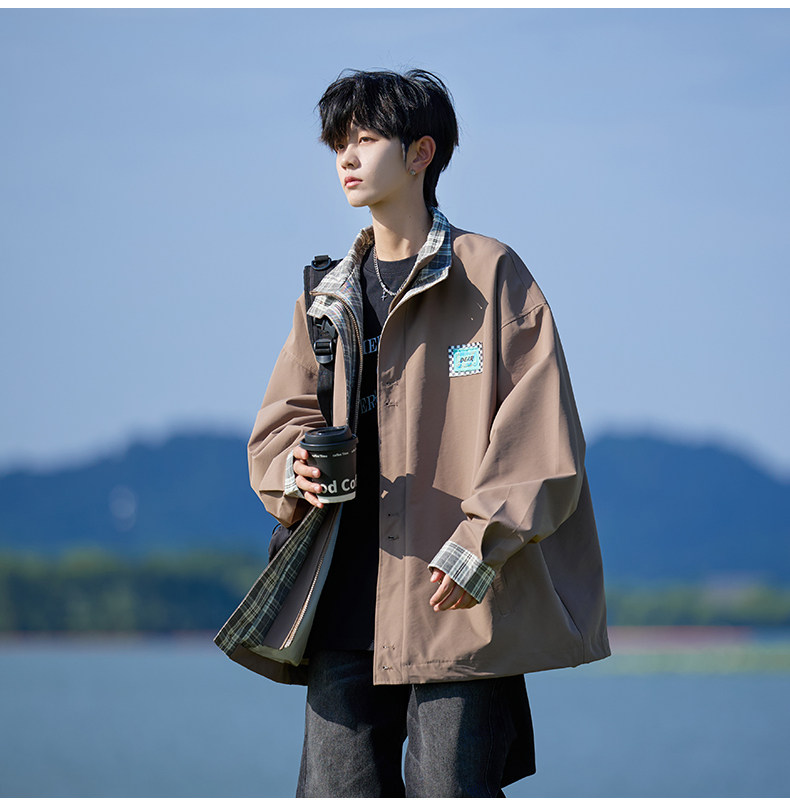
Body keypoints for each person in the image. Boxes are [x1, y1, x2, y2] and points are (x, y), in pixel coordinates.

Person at [244, 69, 610, 797]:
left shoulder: (490, 275)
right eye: (338, 144)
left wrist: (481, 542)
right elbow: (280, 423)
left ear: (421, 153)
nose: (347, 158)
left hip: (459, 598)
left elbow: (543, 437)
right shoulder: (326, 295)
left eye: (364, 139)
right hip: (342, 597)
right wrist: (294, 468)